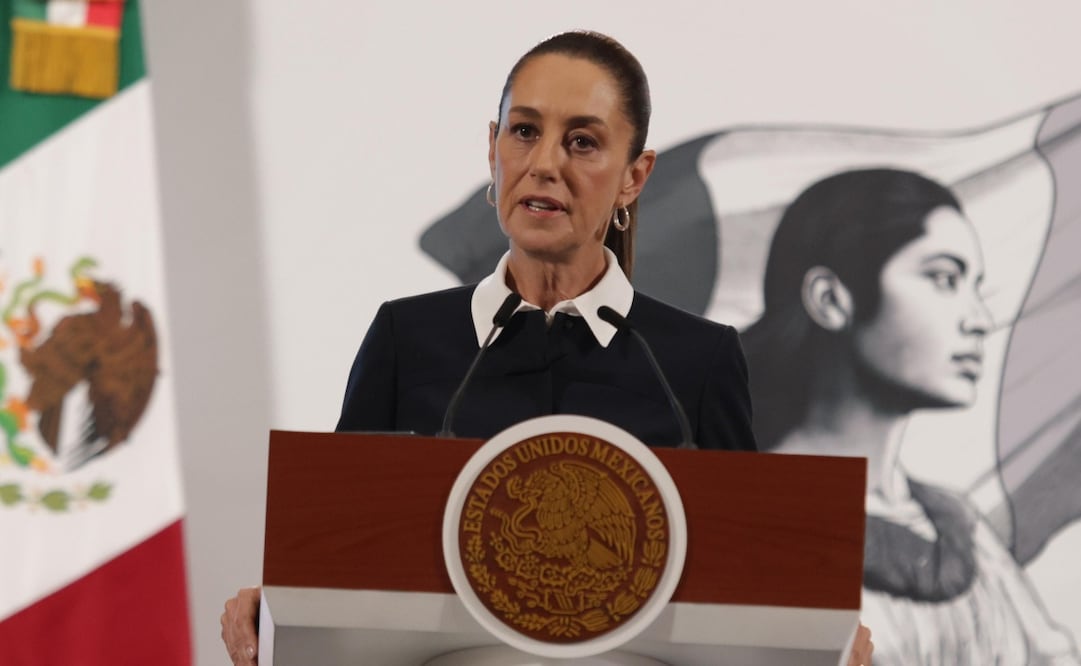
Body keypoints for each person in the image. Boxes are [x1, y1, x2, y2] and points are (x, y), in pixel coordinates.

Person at [222, 31, 872, 665]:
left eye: (582, 142)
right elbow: (335, 562)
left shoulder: (697, 360)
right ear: (491, 146)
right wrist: (275, 611)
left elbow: (752, 585)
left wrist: (825, 637)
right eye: (524, 131)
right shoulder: (405, 338)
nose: (544, 164)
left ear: (633, 177)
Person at [742, 168, 1078, 665]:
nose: (980, 320)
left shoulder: (961, 530)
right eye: (944, 279)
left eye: (974, 285)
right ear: (832, 300)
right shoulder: (738, 519)